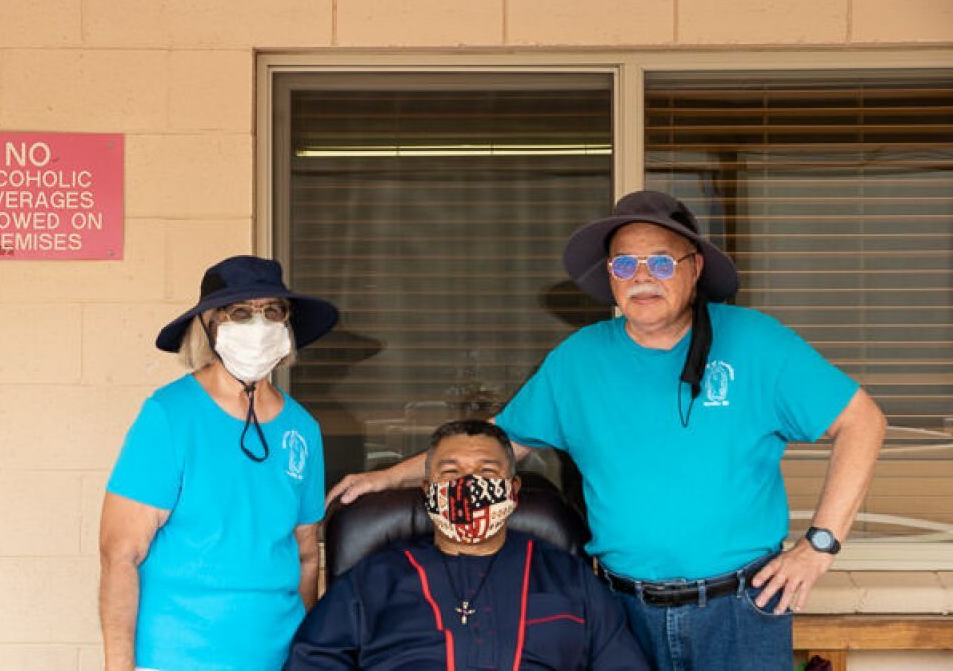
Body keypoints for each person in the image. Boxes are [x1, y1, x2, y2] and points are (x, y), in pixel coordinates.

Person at [328, 191, 887, 670]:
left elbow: (862, 421)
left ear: (695, 268)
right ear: (610, 278)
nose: (642, 277)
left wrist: (819, 546)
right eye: (625, 265)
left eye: (662, 263)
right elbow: (497, 445)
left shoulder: (757, 342)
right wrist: (390, 478)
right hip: (620, 609)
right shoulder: (578, 361)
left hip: (741, 605)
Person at [99, 255, 339, 670]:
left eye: (272, 312)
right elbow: (120, 554)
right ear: (208, 326)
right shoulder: (169, 416)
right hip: (178, 656)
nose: (259, 326)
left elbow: (305, 555)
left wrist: (305, 655)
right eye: (240, 313)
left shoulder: (303, 428)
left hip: (277, 657)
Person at [287, 419, 649, 670]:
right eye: (451, 472)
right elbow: (315, 659)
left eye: (487, 472)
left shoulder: (569, 580)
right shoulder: (375, 580)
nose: (468, 484)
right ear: (429, 491)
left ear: (513, 491)